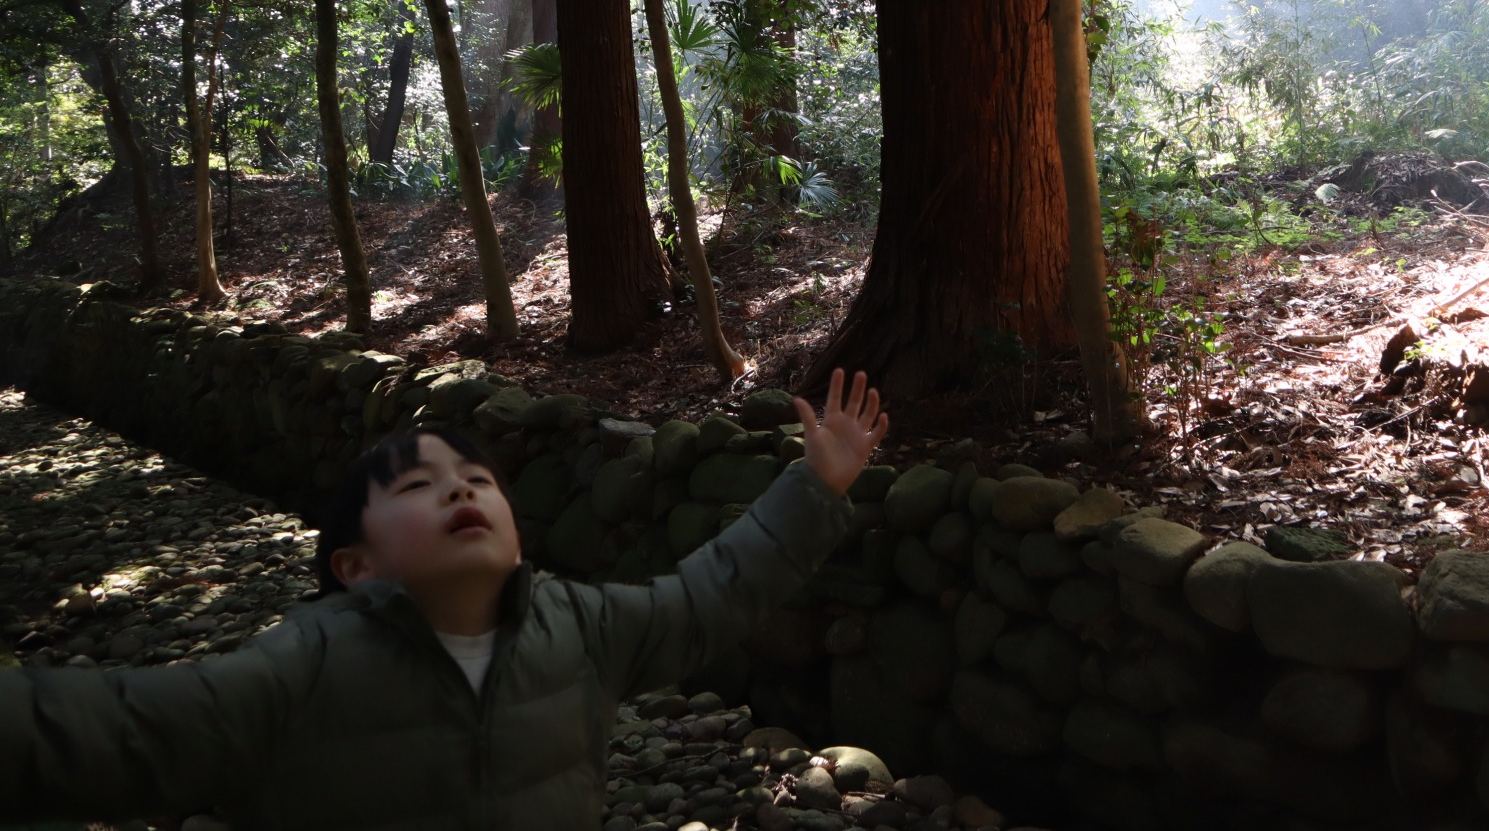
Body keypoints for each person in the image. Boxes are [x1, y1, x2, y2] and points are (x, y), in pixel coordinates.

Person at [0, 369, 888, 830]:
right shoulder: (298, 668)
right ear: (354, 564)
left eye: (475, 477)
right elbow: (112, 728)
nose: (461, 489)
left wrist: (815, 485)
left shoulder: (577, 625)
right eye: (420, 485)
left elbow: (708, 597)